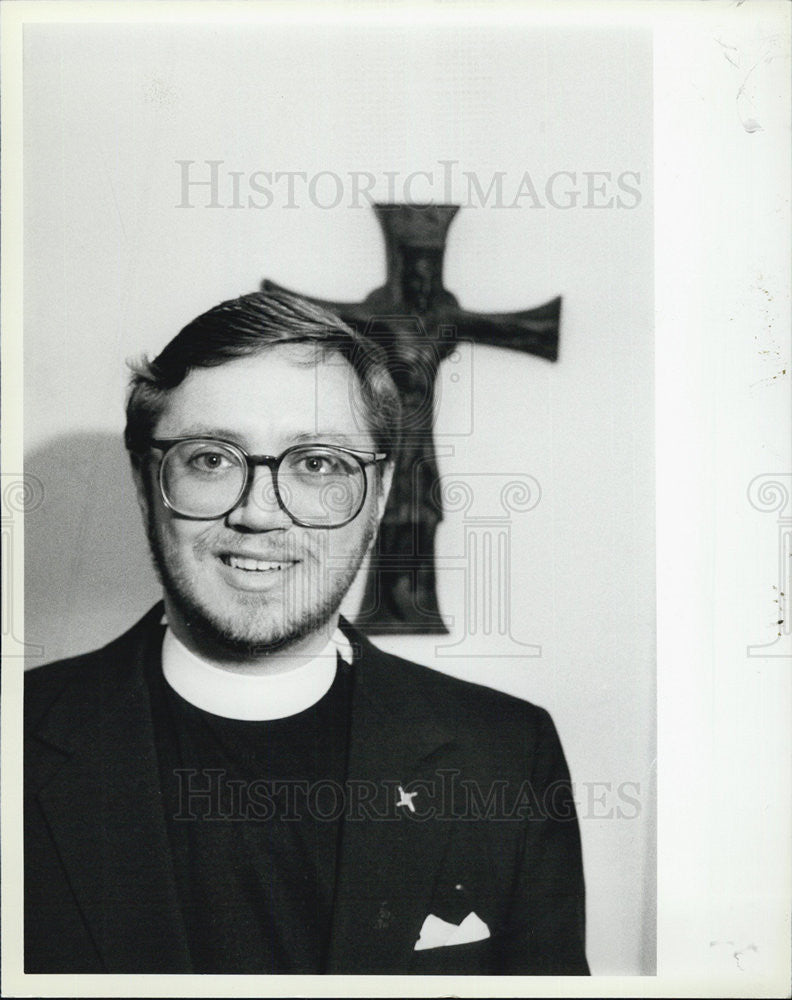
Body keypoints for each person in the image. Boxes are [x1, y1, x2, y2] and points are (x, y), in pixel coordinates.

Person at [24, 289, 589, 975]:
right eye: (211, 458)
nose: (260, 514)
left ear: (378, 497)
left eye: (317, 463)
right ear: (148, 483)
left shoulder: (504, 755)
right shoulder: (14, 743)